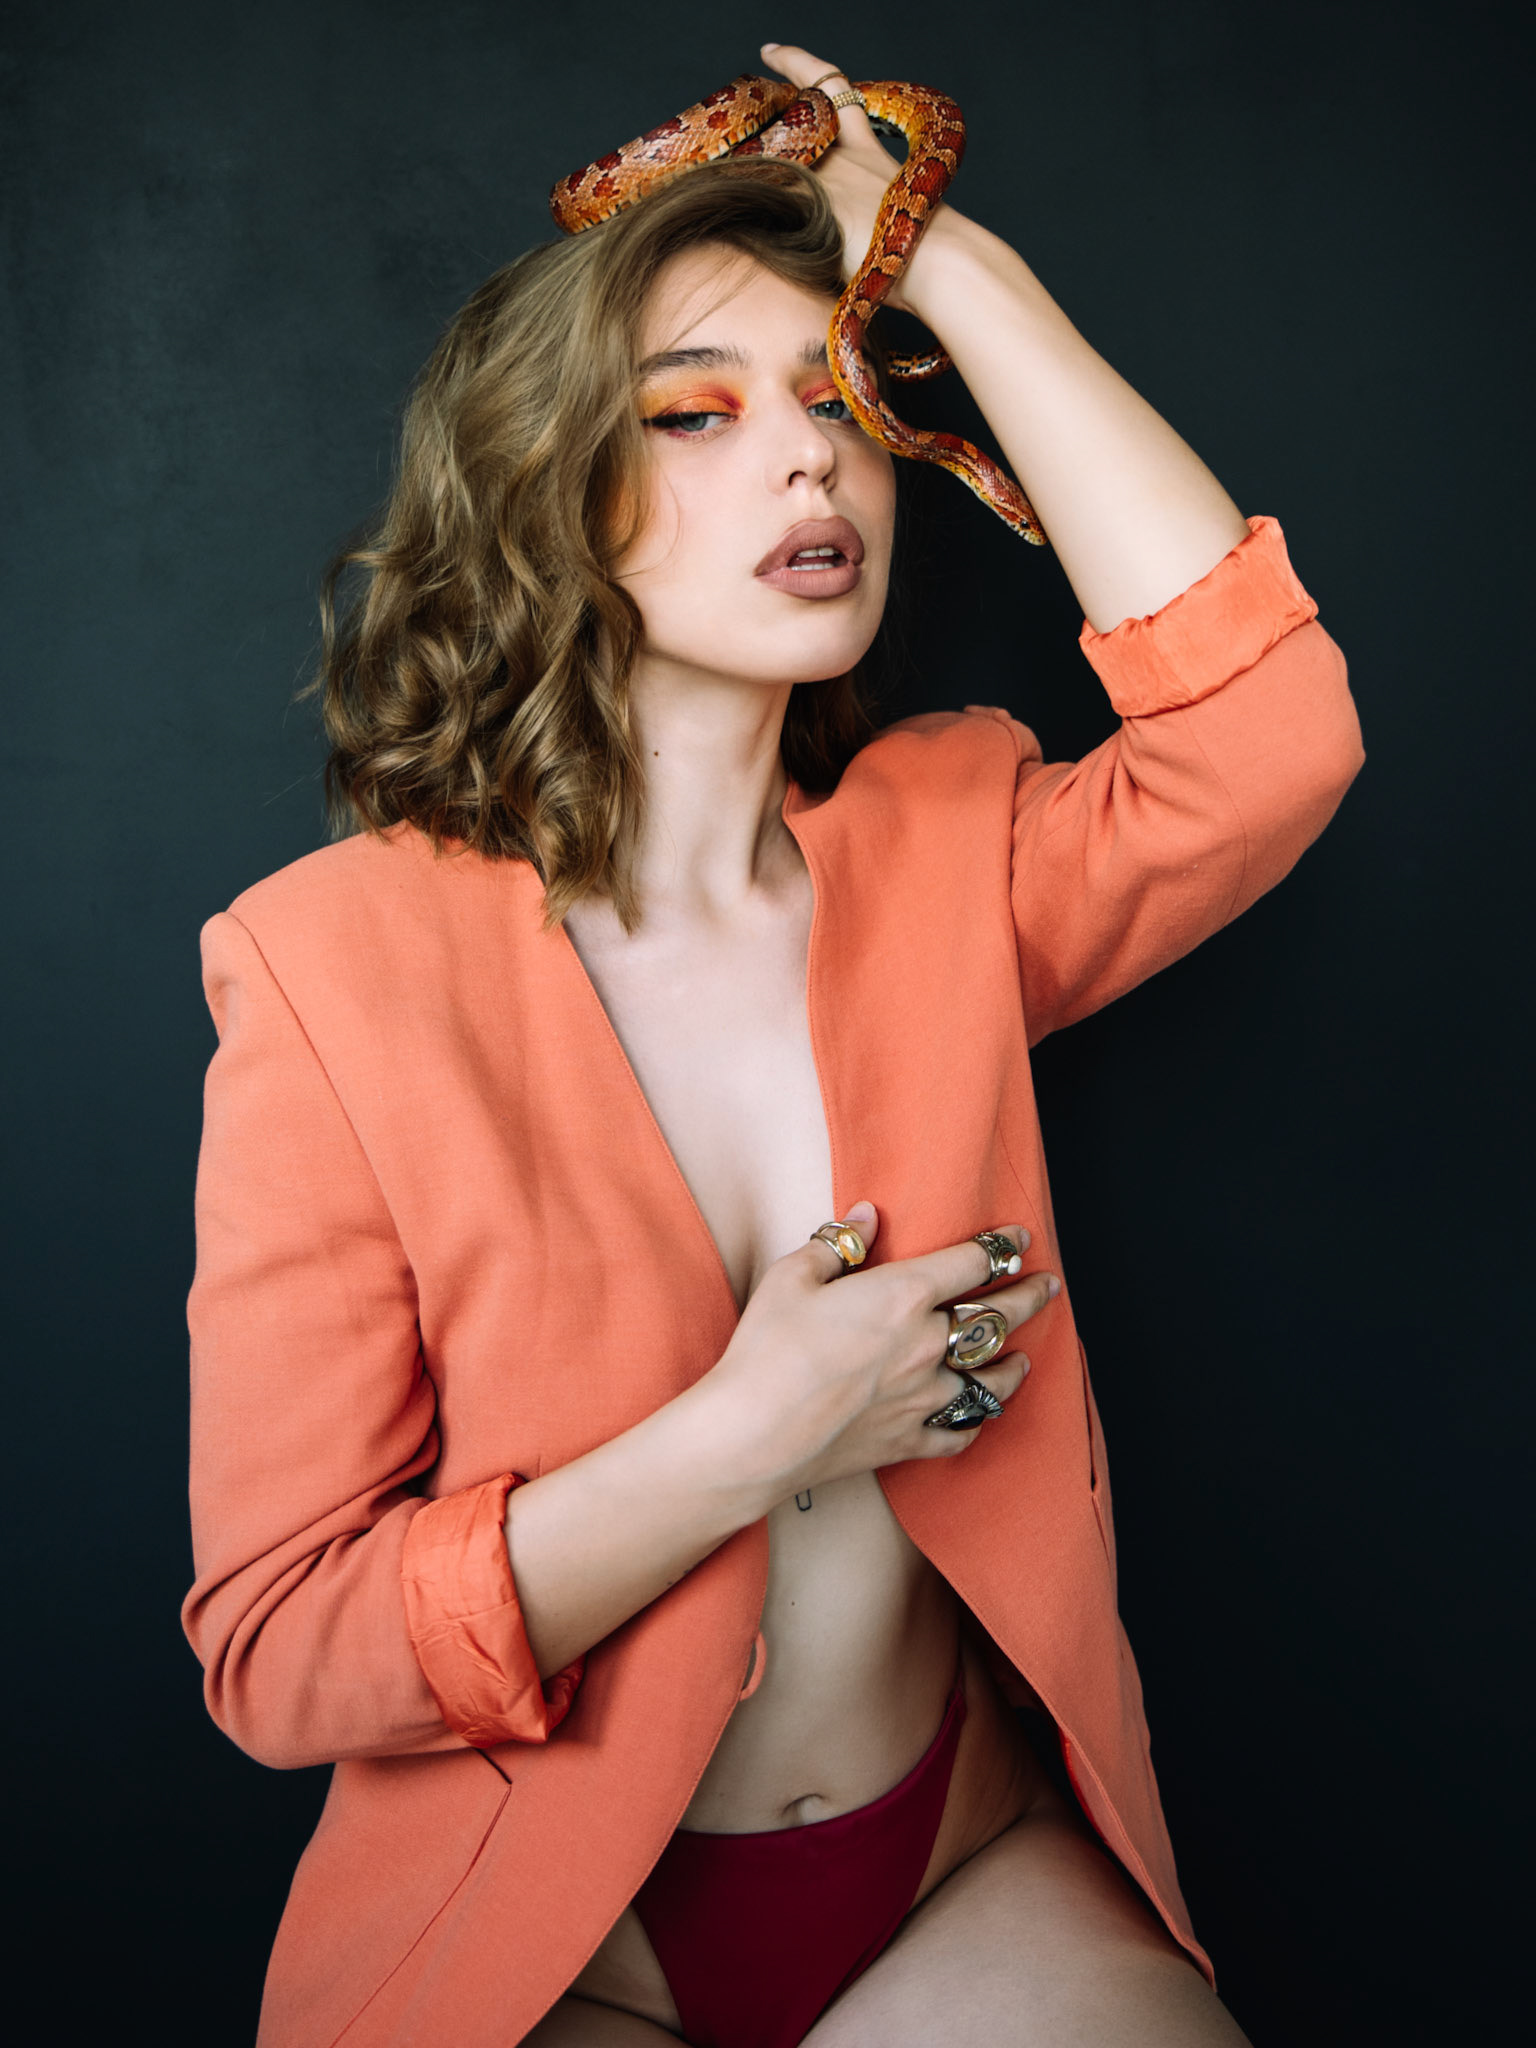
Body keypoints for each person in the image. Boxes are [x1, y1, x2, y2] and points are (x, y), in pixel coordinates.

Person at [182, 41, 1364, 2048]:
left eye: (840, 399)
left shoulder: (949, 844)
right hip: (557, 1939)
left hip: (959, 1871)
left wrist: (941, 260)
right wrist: (756, 1430)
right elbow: (286, 1651)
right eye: (694, 415)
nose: (810, 463)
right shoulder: (327, 966)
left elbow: (1270, 738)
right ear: (551, 495)